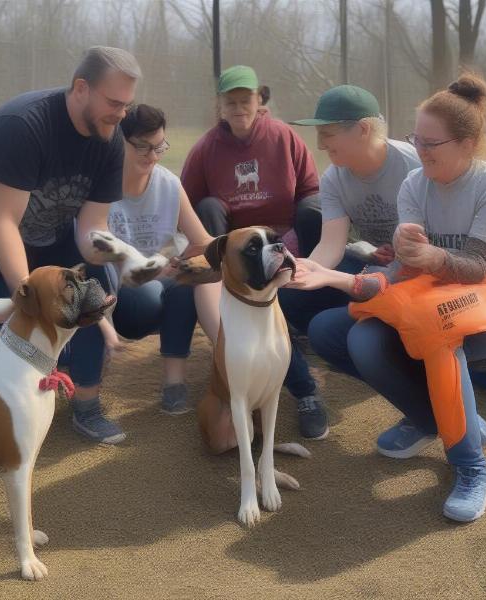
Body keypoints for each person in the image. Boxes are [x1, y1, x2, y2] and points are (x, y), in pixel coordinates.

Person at [297, 72, 486, 522]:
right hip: (430, 298)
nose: (420, 151)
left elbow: (478, 268)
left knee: (438, 334)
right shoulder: (416, 184)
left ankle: (471, 467)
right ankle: (431, 420)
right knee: (349, 336)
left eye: (431, 144)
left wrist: (430, 257)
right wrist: (333, 275)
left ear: (467, 143)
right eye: (417, 139)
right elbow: (403, 272)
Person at [0, 46, 142, 445]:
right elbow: (2, 222)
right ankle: (0, 411)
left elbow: (92, 230)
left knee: (93, 287)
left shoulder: (110, 140)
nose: (121, 114)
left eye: (127, 104)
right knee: (33, 320)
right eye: (114, 103)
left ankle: (85, 405)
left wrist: (126, 256)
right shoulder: (24, 123)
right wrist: (27, 293)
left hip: (34, 241)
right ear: (81, 88)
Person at [180, 64, 323, 437]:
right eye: (231, 101)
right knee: (209, 205)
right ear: (221, 106)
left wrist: (293, 249)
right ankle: (228, 322)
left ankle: (307, 304)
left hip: (282, 238)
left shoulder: (285, 137)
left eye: (246, 99)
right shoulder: (206, 148)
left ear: (260, 100)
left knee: (314, 210)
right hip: (238, 250)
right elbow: (187, 202)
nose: (239, 107)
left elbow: (310, 190)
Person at [278, 85, 420, 438]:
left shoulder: (412, 165)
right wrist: (303, 270)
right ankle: (374, 365)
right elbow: (331, 246)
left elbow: (432, 244)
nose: (321, 145)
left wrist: (390, 263)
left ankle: (406, 360)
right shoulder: (335, 178)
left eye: (327, 133)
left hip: (418, 277)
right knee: (291, 296)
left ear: (363, 129)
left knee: (345, 315)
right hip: (376, 272)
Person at [99, 104, 217, 416]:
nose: (152, 156)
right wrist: (159, 269)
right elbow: (99, 260)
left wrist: (194, 260)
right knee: (151, 291)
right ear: (118, 141)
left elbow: (202, 241)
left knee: (187, 281)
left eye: (159, 147)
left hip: (165, 282)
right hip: (123, 297)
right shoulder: (101, 187)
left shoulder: (168, 184)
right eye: (142, 147)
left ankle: (173, 383)